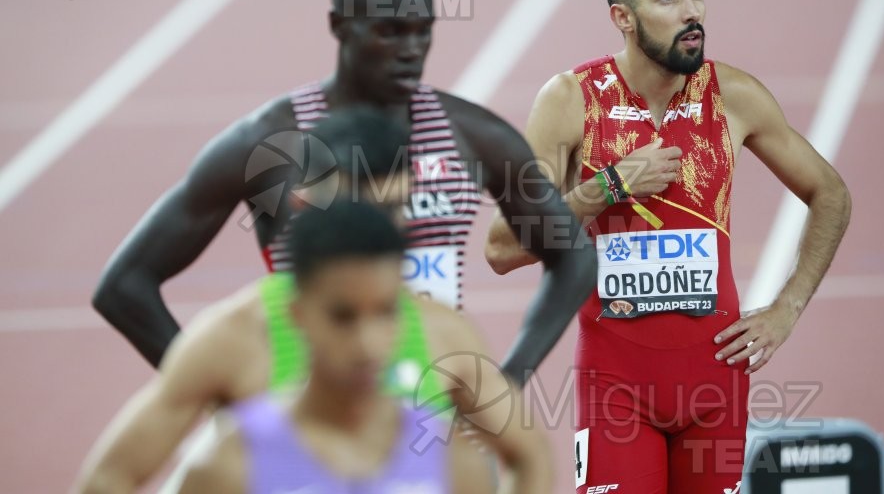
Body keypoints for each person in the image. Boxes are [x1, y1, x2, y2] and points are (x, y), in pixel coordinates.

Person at [92, 0, 596, 386]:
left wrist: (511, 378)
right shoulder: (272, 145)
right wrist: (224, 402)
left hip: (429, 426)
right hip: (309, 429)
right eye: (390, 32)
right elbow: (124, 286)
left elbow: (572, 256)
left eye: (422, 32)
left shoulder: (472, 137)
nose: (411, 51)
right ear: (339, 26)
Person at [485, 0, 851, 493]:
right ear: (623, 17)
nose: (692, 12)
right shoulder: (571, 101)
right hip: (616, 387)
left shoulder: (734, 96)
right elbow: (502, 249)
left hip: (715, 388)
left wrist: (787, 308)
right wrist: (603, 187)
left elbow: (831, 193)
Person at [77, 200, 552, 494]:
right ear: (299, 316)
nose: (368, 344)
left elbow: (532, 456)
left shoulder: (452, 468)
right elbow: (104, 480)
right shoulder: (228, 467)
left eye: (385, 312)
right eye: (342, 316)